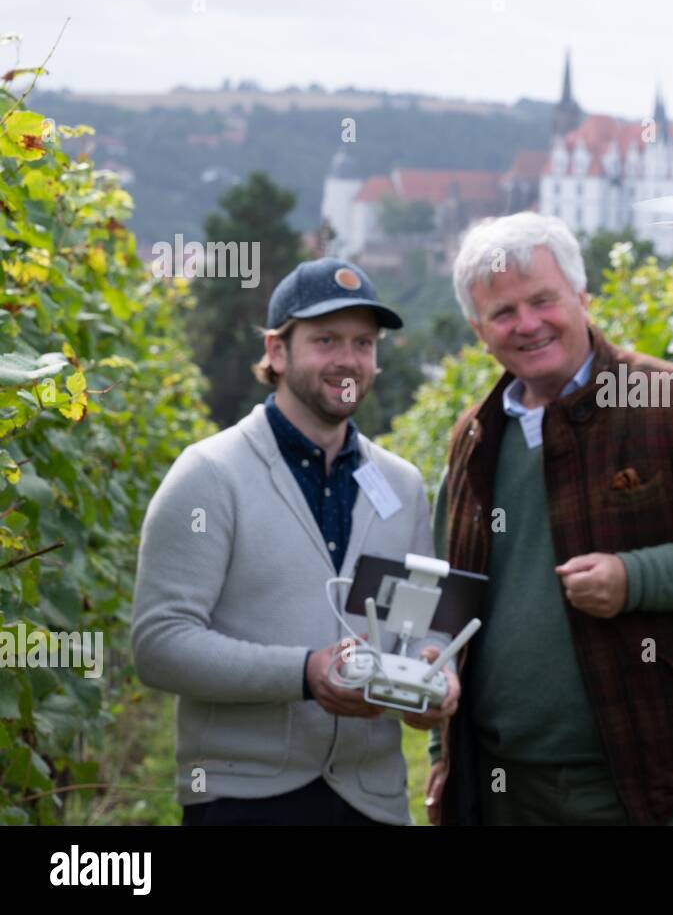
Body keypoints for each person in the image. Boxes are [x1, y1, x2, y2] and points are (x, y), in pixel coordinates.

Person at [425, 213, 673, 825]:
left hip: (651, 782)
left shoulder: (672, 403)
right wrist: (443, 753)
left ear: (582, 298)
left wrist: (634, 578)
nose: (528, 324)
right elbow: (451, 599)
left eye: (544, 300)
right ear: (479, 332)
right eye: (504, 312)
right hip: (505, 787)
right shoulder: (475, 439)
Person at [132, 257, 459, 825]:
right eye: (326, 340)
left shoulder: (401, 484)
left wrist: (431, 677)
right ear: (277, 352)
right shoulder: (210, 475)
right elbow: (160, 645)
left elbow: (418, 626)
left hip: (372, 801)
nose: (348, 360)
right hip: (243, 801)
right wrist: (304, 673)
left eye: (363, 343)